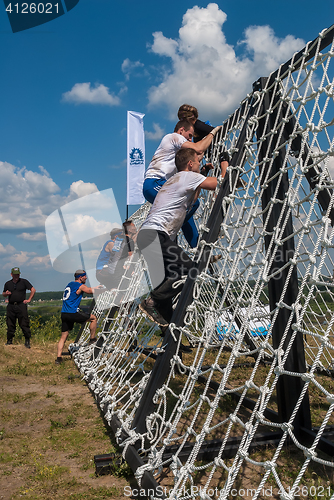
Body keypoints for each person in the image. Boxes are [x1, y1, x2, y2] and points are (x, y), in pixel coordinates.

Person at [137, 148, 226, 328]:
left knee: (169, 283)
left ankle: (169, 329)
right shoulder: (186, 176)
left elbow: (192, 198)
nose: (200, 163)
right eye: (198, 161)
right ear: (190, 164)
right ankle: (151, 302)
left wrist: (204, 172)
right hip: (156, 235)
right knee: (189, 269)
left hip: (147, 236)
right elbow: (220, 183)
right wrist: (225, 166)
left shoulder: (175, 180)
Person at [143, 119, 221, 248]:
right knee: (191, 204)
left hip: (160, 184)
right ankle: (168, 233)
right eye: (189, 135)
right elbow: (199, 149)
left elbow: (195, 158)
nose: (190, 140)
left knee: (185, 206)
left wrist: (204, 168)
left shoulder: (178, 152)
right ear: (181, 130)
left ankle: (196, 247)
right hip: (154, 183)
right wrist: (211, 133)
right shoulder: (173, 137)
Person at [55, 269, 101, 364]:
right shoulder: (80, 285)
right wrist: (104, 290)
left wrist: (96, 287)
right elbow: (88, 291)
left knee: (63, 336)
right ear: (80, 277)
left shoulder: (70, 284)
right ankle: (92, 339)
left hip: (64, 313)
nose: (86, 278)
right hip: (73, 313)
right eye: (85, 276)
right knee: (93, 318)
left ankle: (58, 358)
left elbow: (80, 291)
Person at [96, 221, 137, 290]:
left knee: (116, 289)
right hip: (103, 271)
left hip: (104, 272)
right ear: (116, 236)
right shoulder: (110, 243)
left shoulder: (112, 243)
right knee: (128, 277)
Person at [3, 267, 36, 348]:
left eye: (17, 274)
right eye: (15, 275)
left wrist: (29, 299)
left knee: (24, 323)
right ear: (11, 275)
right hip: (11, 305)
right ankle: (9, 340)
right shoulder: (8, 283)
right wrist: (6, 294)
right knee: (10, 324)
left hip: (21, 305)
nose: (16, 276)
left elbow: (33, 290)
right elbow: (3, 294)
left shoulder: (24, 282)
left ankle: (27, 341)